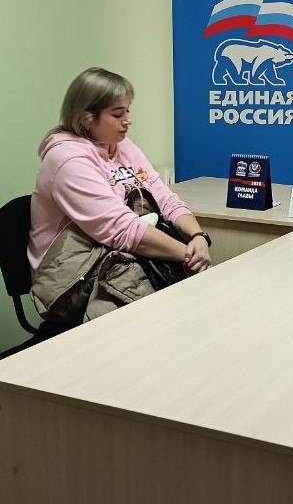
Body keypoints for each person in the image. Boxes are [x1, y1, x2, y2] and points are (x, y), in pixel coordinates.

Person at [29, 67, 211, 320]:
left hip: (120, 250)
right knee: (171, 308)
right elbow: (122, 229)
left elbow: (163, 197)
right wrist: (189, 255)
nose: (128, 120)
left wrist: (198, 236)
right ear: (86, 118)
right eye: (117, 114)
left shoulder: (122, 145)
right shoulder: (67, 161)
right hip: (74, 275)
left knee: (193, 299)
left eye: (127, 110)